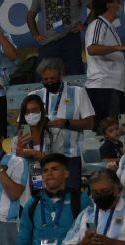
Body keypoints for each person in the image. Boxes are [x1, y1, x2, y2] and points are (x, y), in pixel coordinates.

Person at [37, 58, 97, 193]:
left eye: (52, 78)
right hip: (44, 156)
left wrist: (67, 123)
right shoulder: (35, 95)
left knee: (71, 196)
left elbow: (90, 123)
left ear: (61, 75)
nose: (49, 82)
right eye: (45, 79)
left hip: (70, 156)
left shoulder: (78, 92)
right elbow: (23, 125)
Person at [84, 0, 125, 122]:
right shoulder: (97, 24)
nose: (120, 6)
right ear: (108, 4)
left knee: (122, 130)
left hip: (117, 90)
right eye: (117, 2)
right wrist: (119, 47)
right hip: (103, 90)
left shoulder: (110, 28)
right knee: (107, 132)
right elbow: (92, 49)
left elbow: (121, 63)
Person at [27, 0, 88, 75]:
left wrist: (85, 25)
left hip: (71, 38)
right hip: (49, 41)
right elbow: (30, 17)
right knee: (43, 74)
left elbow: (94, 7)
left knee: (74, 73)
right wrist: (35, 35)